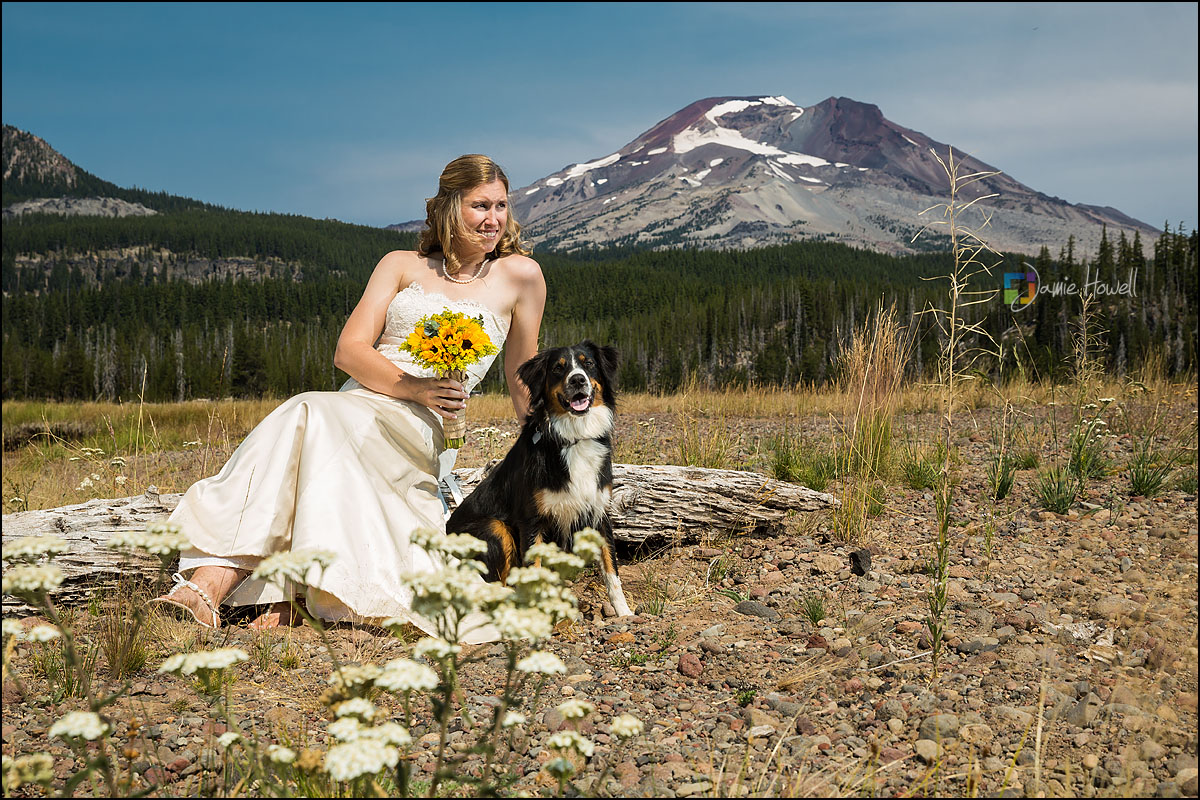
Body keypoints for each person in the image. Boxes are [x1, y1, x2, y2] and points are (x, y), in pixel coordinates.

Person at [149, 154, 546, 636]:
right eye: (480, 206)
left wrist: (543, 446)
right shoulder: (400, 265)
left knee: (309, 412)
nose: (493, 219)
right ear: (449, 207)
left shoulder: (522, 277)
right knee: (311, 413)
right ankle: (204, 591)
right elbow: (348, 349)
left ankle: (277, 595)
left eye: (501, 205)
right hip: (361, 400)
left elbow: (522, 373)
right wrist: (414, 386)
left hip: (425, 426)